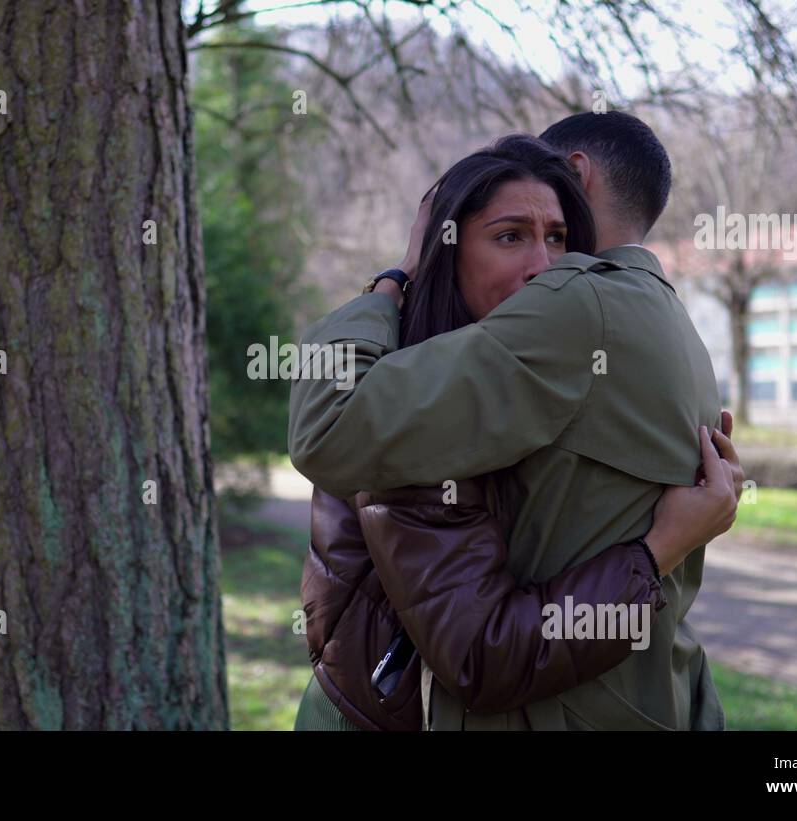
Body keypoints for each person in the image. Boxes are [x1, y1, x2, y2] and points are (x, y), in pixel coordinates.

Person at [289, 114, 734, 730]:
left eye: (557, 237)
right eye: (508, 236)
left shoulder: (548, 340)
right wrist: (396, 279)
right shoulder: (425, 404)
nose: (545, 265)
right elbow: (485, 653)